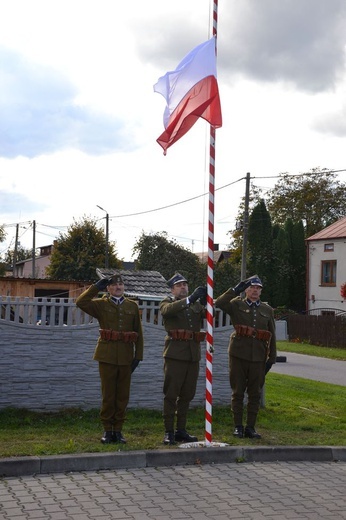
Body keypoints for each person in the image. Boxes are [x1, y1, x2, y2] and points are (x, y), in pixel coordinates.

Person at [76, 273, 143, 444]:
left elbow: (139, 333)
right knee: (108, 395)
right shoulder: (100, 305)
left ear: (124, 287)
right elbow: (80, 302)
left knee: (122, 396)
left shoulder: (132, 306)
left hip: (126, 356)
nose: (118, 287)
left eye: (120, 285)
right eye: (113, 285)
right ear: (108, 288)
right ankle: (107, 430)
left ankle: (118, 430)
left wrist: (138, 356)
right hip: (106, 356)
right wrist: (95, 288)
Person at [215, 275, 276, 439]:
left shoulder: (267, 310)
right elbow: (218, 303)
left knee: (255, 393)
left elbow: (272, 335)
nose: (255, 290)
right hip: (238, 354)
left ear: (261, 291)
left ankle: (250, 427)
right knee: (238, 391)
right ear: (246, 290)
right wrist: (235, 290)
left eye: (258, 288)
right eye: (251, 287)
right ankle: (237, 427)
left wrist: (272, 358)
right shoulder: (236, 304)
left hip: (258, 356)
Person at [159, 272, 207, 445]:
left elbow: (210, 317)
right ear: (172, 289)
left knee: (187, 394)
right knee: (171, 394)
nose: (183, 287)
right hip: (175, 355)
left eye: (185, 285)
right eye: (179, 285)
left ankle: (181, 430)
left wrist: (206, 302)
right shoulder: (167, 302)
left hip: (192, 355)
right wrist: (190, 299)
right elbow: (167, 312)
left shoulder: (194, 306)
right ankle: (169, 431)